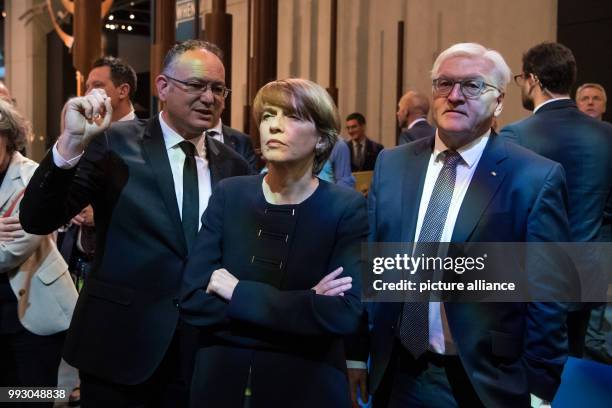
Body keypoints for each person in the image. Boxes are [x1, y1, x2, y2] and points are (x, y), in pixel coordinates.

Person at [19, 40, 250, 407]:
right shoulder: (112, 144)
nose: (209, 97)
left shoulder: (235, 165)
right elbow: (38, 218)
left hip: (204, 352)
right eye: (196, 85)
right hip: (120, 349)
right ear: (162, 86)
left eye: (218, 88)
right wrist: (69, 144)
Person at [349, 43, 571, 407]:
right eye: (444, 84)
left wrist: (539, 387)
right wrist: (357, 352)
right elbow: (373, 261)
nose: (454, 96)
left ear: (499, 101)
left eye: (472, 86)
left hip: (483, 379)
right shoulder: (392, 164)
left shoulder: (533, 177)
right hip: (397, 369)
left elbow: (549, 293)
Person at [180, 78, 368, 407]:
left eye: (292, 117)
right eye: (268, 116)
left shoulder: (345, 208)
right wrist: (305, 304)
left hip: (306, 387)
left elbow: (343, 314)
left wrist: (237, 294)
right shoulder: (231, 194)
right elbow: (194, 299)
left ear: (322, 138)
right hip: (221, 385)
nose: (274, 127)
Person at [500, 42, 612, 358]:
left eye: (521, 78)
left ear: (533, 79)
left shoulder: (516, 136)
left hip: (532, 281)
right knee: (572, 372)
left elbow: (504, 214)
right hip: (585, 275)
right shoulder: (606, 135)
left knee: (528, 376)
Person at [0, 99, 78, 406]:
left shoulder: (33, 177)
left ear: (9, 137)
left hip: (34, 315)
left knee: (34, 397)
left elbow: (11, 251)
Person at [85, 56, 138, 122]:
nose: (88, 94)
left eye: (97, 85)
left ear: (123, 91)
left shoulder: (147, 131)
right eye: (87, 87)